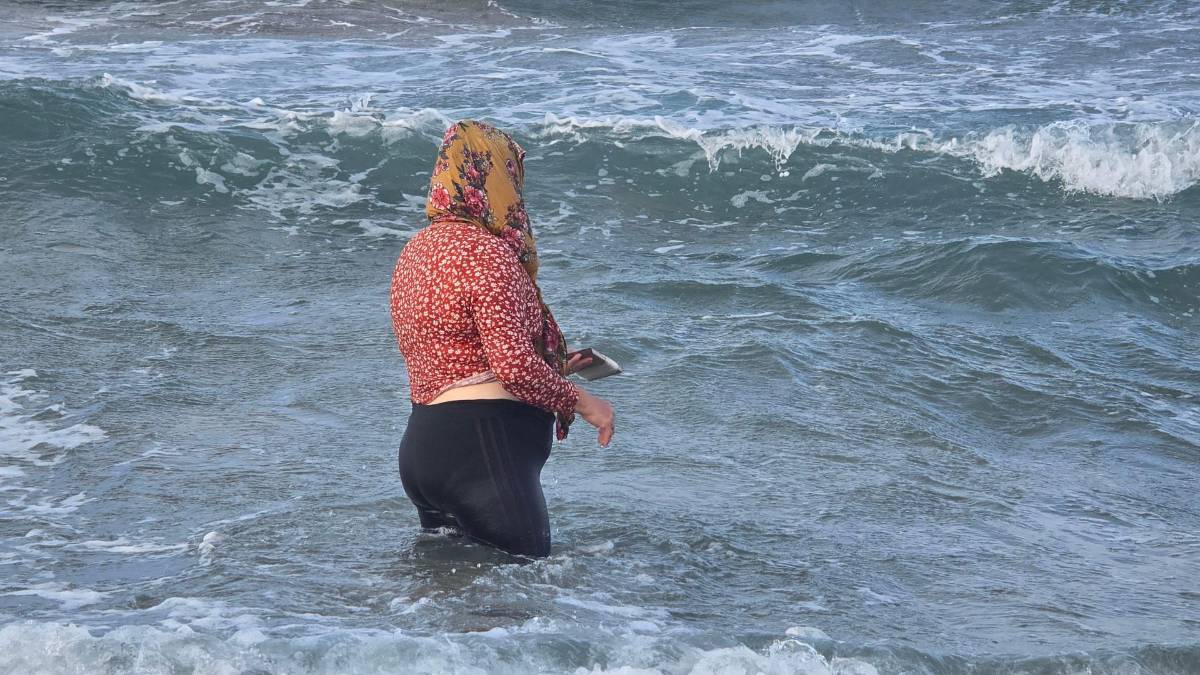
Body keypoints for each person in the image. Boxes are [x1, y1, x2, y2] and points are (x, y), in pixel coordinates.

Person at [390, 120, 616, 558]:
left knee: (448, 591)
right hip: (482, 451)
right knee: (530, 585)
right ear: (492, 177)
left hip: (423, 450)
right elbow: (512, 368)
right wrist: (586, 403)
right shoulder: (488, 252)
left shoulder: (415, 251)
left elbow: (459, 350)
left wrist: (555, 363)